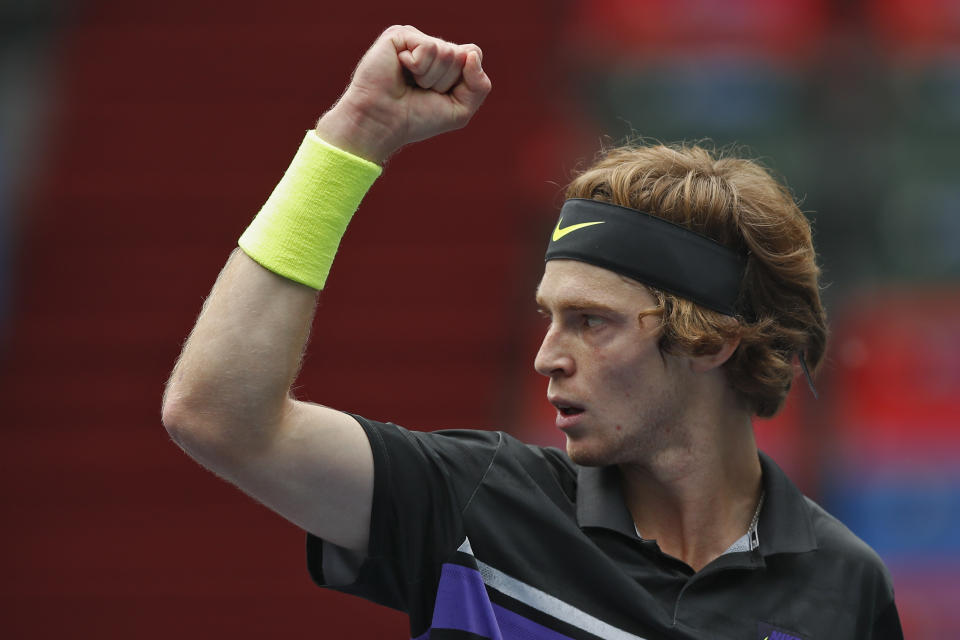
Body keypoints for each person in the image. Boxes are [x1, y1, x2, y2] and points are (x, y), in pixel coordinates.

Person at [161, 25, 902, 639]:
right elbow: (220, 415)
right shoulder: (475, 501)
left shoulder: (847, 588)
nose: (548, 356)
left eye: (591, 323)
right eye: (549, 316)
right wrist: (353, 136)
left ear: (709, 341)